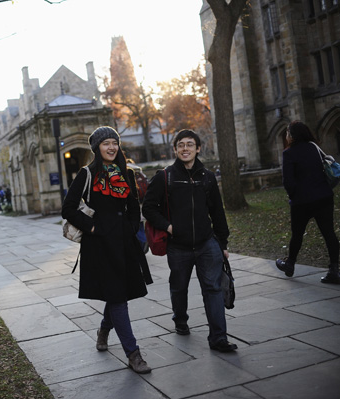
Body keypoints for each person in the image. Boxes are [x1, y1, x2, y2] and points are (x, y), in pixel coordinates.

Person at [61, 126, 153, 374]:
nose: (111, 147)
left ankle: (103, 329)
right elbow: (68, 208)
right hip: (100, 246)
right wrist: (92, 228)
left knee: (118, 294)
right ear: (97, 148)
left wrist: (132, 227)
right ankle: (133, 354)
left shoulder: (126, 173)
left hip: (124, 243)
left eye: (114, 142)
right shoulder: (87, 174)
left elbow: (134, 205)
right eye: (106, 143)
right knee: (118, 297)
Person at [142, 129, 237, 353]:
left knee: (213, 289)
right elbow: (148, 207)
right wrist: (169, 226)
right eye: (181, 145)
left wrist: (222, 244)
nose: (185, 148)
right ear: (175, 149)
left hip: (207, 244)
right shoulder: (165, 176)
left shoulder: (208, 177)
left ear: (197, 148)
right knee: (179, 287)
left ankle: (218, 339)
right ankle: (180, 319)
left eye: (190, 144)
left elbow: (217, 213)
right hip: (178, 247)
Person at [275, 121, 340, 284]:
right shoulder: (314, 147)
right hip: (324, 197)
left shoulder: (289, 153)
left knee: (297, 234)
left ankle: (290, 264)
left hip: (302, 201)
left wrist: (294, 196)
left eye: (288, 133)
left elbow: (288, 182)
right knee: (329, 233)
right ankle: (334, 270)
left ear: (292, 135)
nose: (286, 136)